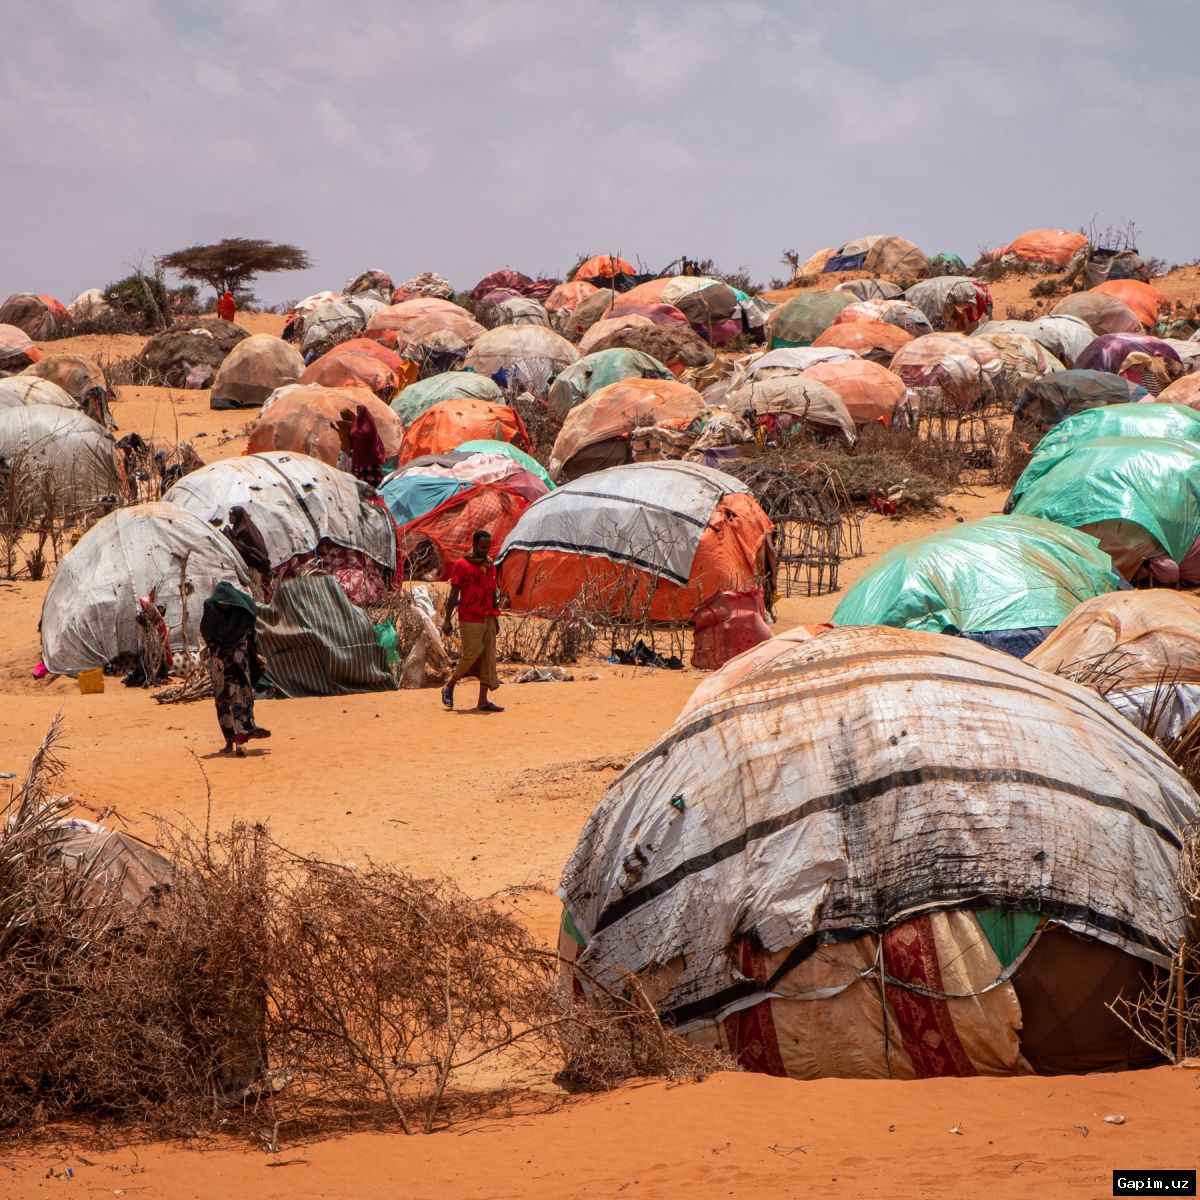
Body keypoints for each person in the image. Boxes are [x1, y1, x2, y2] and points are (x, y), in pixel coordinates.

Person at [200, 581, 270, 755]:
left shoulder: (240, 617)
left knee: (241, 702)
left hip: (239, 666)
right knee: (222, 703)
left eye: (227, 602)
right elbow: (207, 636)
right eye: (221, 602)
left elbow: (249, 639)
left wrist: (257, 655)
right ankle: (229, 741)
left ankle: (241, 743)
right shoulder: (212, 614)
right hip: (220, 667)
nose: (223, 605)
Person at [441, 530, 503, 713]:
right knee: (472, 653)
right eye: (482, 547)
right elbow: (454, 594)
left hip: (488, 616)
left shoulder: (490, 565)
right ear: (474, 545)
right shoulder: (462, 565)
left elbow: (492, 592)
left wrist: (495, 617)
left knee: (488, 657)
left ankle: (483, 701)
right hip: (469, 616)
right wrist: (447, 619)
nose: (485, 550)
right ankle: (450, 685)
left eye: (488, 547)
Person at [348, 404, 386, 486]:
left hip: (368, 456)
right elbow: (350, 435)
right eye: (357, 410)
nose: (358, 412)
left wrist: (375, 451)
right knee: (358, 483)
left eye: (360, 410)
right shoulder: (355, 421)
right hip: (357, 456)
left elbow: (373, 436)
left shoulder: (369, 421)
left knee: (372, 483)